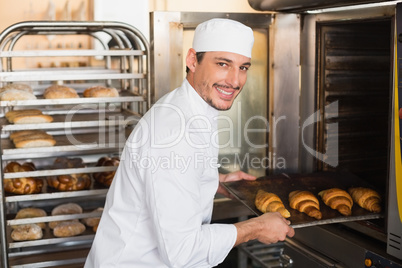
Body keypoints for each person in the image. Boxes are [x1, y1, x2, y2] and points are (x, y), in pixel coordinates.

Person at [85, 18, 294, 268]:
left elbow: (167, 177)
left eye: (243, 67)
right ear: (193, 60)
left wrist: (211, 181)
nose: (235, 80)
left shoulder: (189, 107)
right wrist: (257, 227)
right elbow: (183, 250)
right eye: (223, 64)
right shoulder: (173, 133)